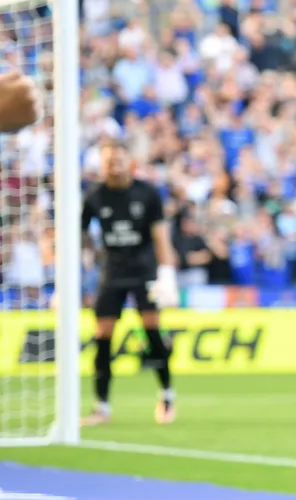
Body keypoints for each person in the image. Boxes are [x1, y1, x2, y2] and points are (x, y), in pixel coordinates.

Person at [80, 142, 179, 426]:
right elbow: (81, 235)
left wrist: (167, 276)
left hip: (144, 271)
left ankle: (167, 395)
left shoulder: (147, 193)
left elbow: (161, 237)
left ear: (129, 162)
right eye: (108, 161)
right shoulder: (95, 196)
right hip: (112, 272)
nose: (114, 166)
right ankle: (102, 407)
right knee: (102, 336)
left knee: (151, 331)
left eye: (118, 160)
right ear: (102, 165)